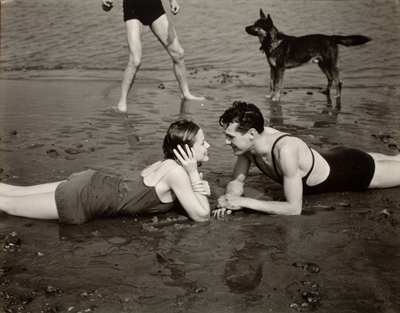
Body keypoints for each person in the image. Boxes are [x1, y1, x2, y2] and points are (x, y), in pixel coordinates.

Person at [0, 120, 211, 224]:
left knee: (13, 191)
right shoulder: (177, 173)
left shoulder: (164, 164)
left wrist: (196, 181)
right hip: (84, 199)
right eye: (203, 142)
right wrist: (193, 175)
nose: (208, 145)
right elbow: (202, 216)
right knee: (7, 204)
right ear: (187, 150)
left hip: (90, 184)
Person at [214, 101, 400, 217]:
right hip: (336, 155)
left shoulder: (285, 150)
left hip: (355, 170)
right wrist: (230, 200)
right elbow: (236, 183)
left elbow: (294, 209)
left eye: (231, 137)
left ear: (252, 133)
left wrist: (244, 202)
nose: (226, 141)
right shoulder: (247, 147)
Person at [101, 0, 205, 113]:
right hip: (132, 8)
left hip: (153, 6)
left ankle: (186, 93)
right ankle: (122, 103)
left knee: (178, 53)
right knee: (135, 60)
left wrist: (173, 1)